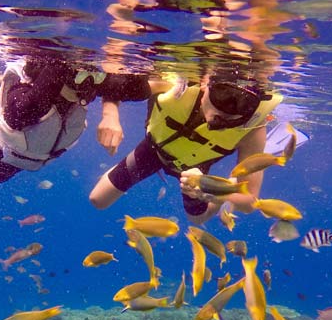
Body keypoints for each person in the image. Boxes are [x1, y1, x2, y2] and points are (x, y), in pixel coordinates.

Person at [0, 57, 151, 183]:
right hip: (31, 121)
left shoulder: (81, 84)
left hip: (34, 127)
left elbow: (139, 91)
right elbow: (139, 90)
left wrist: (111, 108)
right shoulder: (31, 105)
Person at [89, 73, 284, 224]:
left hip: (196, 174)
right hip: (154, 151)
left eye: (242, 106)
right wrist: (110, 115)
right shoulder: (175, 87)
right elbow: (116, 84)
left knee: (197, 220)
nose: (222, 112)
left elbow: (250, 201)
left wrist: (212, 194)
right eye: (221, 95)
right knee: (97, 200)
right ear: (205, 84)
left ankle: (222, 191)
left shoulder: (252, 131)